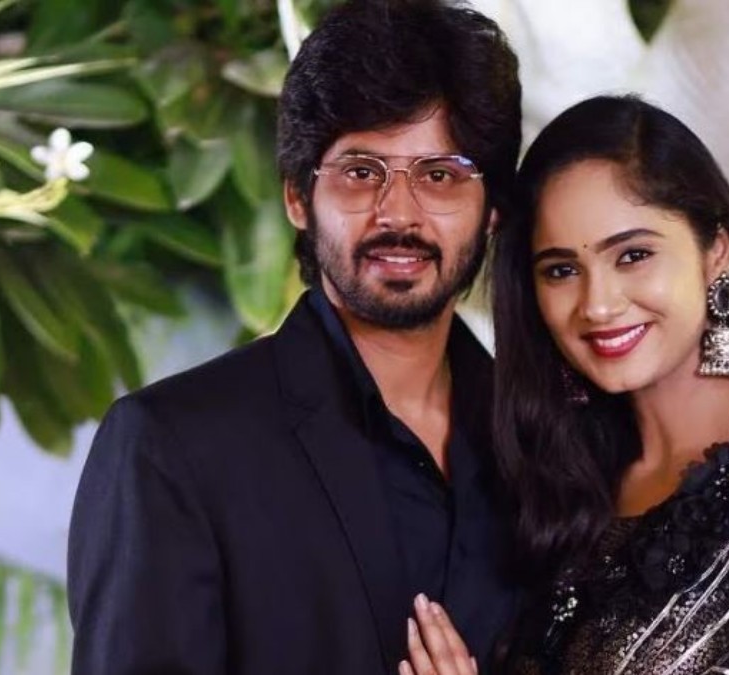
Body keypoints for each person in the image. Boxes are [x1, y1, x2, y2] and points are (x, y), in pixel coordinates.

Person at [66, 1, 521, 673]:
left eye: (440, 174)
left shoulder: (545, 442)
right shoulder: (170, 447)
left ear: (492, 212)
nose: (399, 213)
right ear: (298, 198)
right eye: (361, 171)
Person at [401, 95, 729, 674]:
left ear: (716, 253)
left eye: (633, 255)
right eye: (562, 270)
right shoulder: (562, 478)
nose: (597, 305)